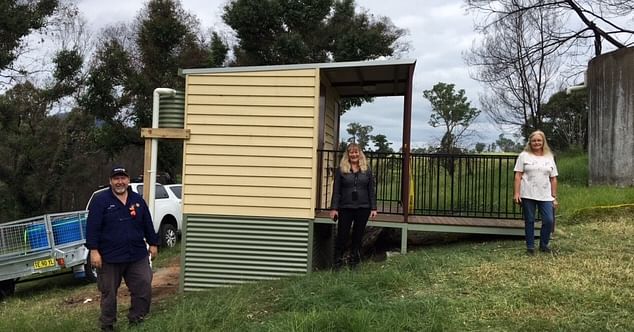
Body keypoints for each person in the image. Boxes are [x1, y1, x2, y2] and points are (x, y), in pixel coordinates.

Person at [86, 166, 159, 331]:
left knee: (143, 285)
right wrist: (94, 250)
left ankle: (137, 319)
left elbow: (147, 223)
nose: (120, 182)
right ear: (110, 181)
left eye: (123, 178)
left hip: (137, 254)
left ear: (128, 180)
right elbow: (92, 228)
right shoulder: (101, 201)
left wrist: (153, 243)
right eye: (116, 179)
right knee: (108, 293)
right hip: (110, 257)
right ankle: (108, 324)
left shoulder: (137, 200)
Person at [329, 143, 378, 269]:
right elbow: (336, 191)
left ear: (360, 153)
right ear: (348, 154)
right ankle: (337, 264)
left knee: (358, 236)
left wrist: (373, 208)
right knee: (342, 236)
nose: (354, 155)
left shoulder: (366, 170)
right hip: (345, 208)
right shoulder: (341, 170)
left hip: (363, 208)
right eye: (351, 152)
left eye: (356, 152)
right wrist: (334, 209)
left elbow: (371, 190)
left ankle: (354, 263)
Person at [513, 130, 559, 255]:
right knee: (530, 220)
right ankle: (530, 247)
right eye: (534, 140)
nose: (536, 143)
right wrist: (516, 193)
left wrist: (554, 196)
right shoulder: (523, 156)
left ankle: (544, 245)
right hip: (527, 193)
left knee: (549, 220)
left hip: (545, 194)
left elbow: (553, 178)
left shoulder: (549, 157)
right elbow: (518, 175)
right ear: (530, 142)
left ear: (543, 142)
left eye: (539, 140)